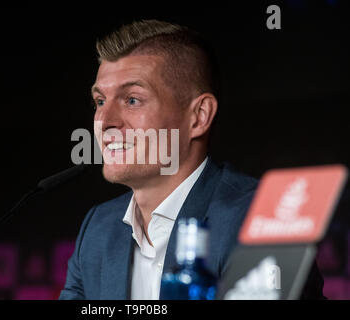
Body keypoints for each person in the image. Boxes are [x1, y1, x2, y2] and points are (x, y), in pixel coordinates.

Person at [59, 19, 324, 300]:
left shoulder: (263, 220)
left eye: (132, 100)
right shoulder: (99, 227)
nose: (104, 121)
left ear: (199, 116)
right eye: (100, 102)